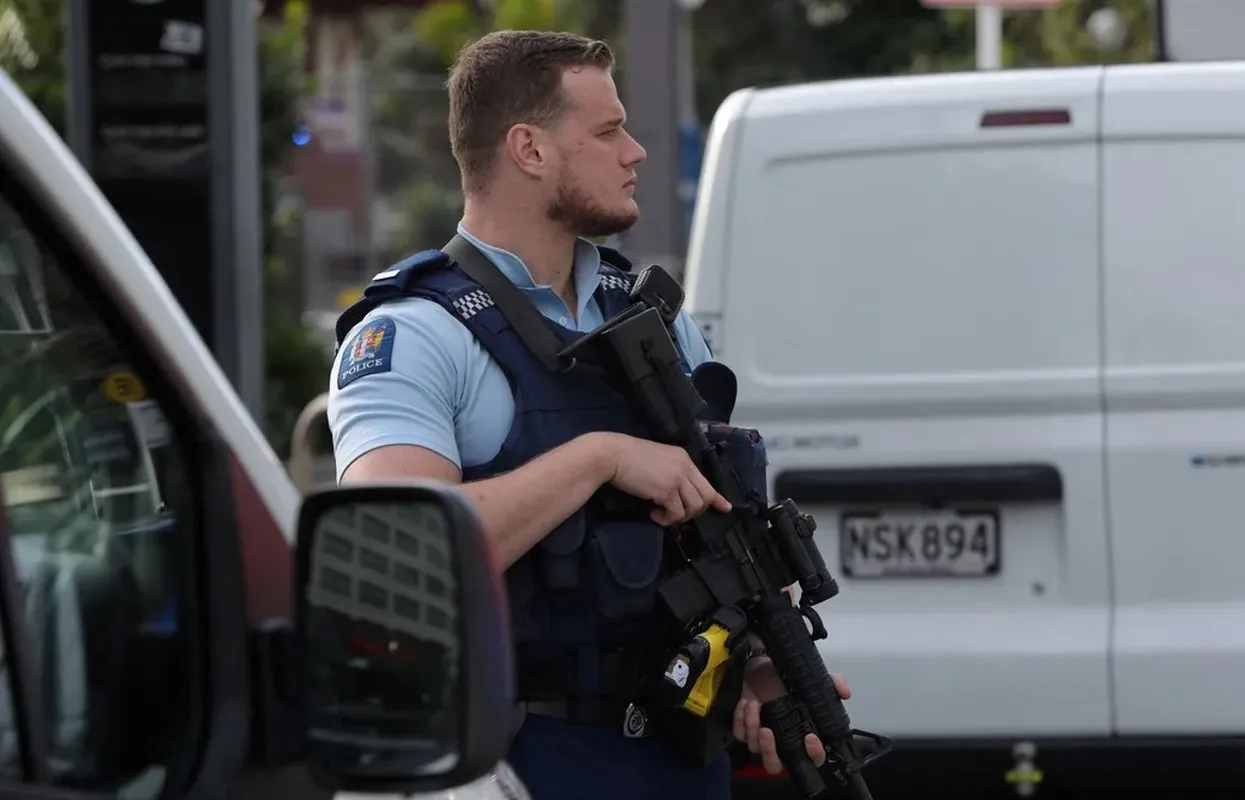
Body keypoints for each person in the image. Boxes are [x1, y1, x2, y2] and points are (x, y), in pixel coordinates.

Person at [326, 29, 852, 800]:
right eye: (608, 131)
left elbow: (714, 544)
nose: (636, 151)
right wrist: (597, 457)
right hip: (517, 766)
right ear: (529, 149)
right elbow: (396, 558)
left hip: (679, 762)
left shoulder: (652, 321)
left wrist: (758, 676)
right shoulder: (413, 334)